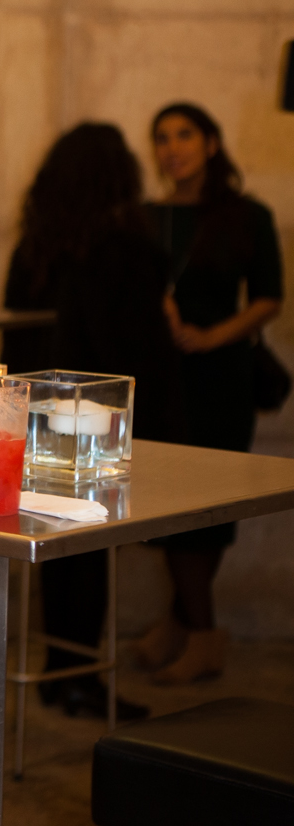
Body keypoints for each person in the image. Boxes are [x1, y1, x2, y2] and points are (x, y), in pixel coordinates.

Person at [2, 122, 183, 719]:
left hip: (34, 417)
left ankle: (62, 671)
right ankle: (77, 677)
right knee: (89, 549)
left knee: (57, 546)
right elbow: (140, 349)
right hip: (96, 421)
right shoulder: (123, 249)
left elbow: (14, 340)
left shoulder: (35, 249)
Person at [133, 102, 283, 685]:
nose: (172, 148)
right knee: (170, 502)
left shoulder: (247, 215)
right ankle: (185, 625)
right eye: (162, 137)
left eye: (185, 135)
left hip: (223, 377)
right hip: (165, 377)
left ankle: (200, 634)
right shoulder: (147, 217)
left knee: (209, 503)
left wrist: (210, 336)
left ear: (211, 143)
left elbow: (269, 298)